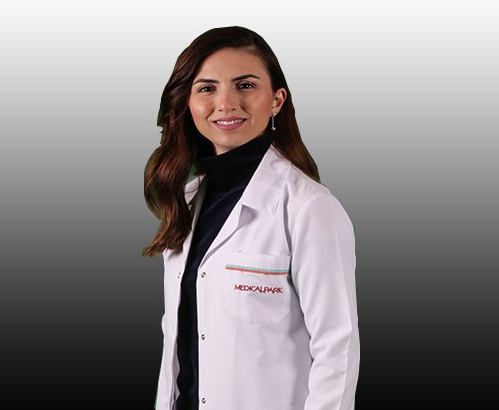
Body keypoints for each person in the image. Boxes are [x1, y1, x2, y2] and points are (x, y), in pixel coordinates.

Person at [143, 26, 359, 410]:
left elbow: (336, 347)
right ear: (188, 103)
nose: (226, 103)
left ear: (276, 100)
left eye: (245, 86)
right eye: (207, 88)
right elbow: (179, 342)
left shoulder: (308, 207)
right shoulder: (186, 202)